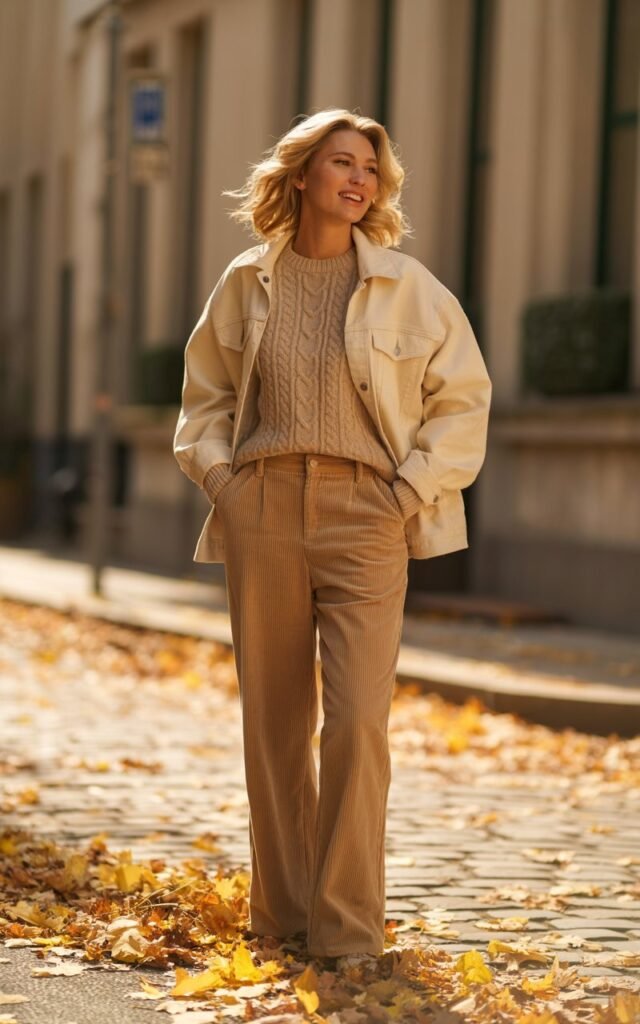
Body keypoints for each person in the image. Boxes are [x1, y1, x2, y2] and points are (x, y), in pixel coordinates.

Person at [173, 108, 492, 961]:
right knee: (274, 725)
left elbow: (463, 401)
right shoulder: (247, 280)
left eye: (370, 169)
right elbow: (202, 402)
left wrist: (410, 489)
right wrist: (223, 482)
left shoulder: (408, 287)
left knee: (356, 720)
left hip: (369, 516)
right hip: (265, 507)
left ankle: (348, 929)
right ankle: (282, 916)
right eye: (341, 163)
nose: (358, 180)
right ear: (302, 175)